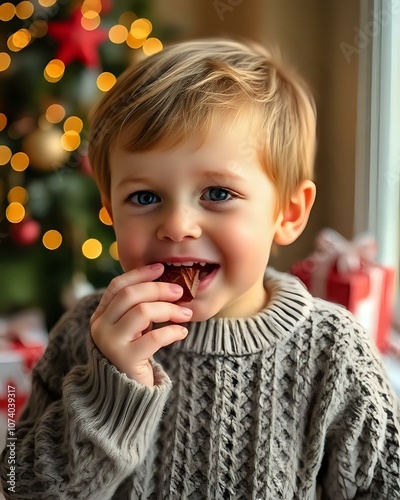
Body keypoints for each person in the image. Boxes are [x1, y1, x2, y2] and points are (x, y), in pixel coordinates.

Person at [1, 38, 399, 500]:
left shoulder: (336, 355)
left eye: (218, 193)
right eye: (145, 198)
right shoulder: (85, 333)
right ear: (110, 211)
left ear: (288, 213)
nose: (176, 225)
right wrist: (109, 391)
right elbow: (17, 483)